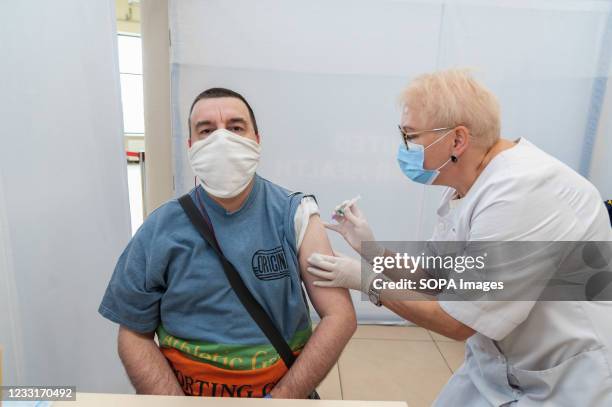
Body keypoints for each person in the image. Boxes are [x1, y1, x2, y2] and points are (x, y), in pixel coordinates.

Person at [307, 69, 612, 406]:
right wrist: (371, 250)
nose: (404, 148)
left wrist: (366, 281)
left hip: (563, 378)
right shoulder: (468, 186)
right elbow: (435, 279)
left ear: (457, 140)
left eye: (411, 136)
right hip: (497, 365)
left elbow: (456, 321)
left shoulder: (521, 191)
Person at [99, 87, 356, 398]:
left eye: (236, 128)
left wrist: (283, 398)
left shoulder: (296, 215)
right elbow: (132, 333)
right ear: (191, 147)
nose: (222, 140)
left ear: (256, 141)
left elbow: (339, 316)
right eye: (206, 131)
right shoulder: (160, 228)